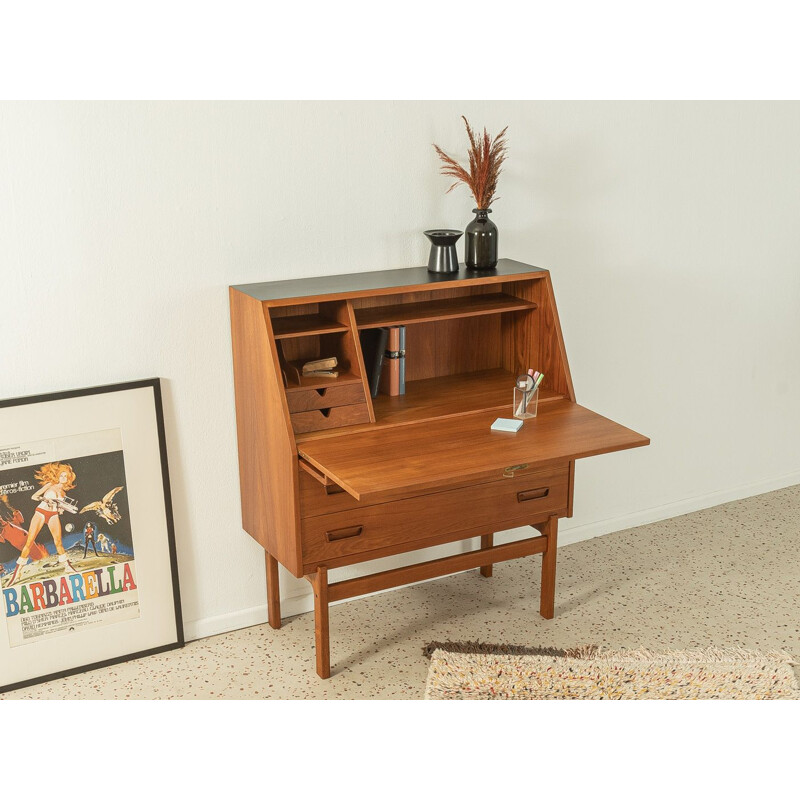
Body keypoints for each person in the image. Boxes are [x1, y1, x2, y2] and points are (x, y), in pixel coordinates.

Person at [5, 462, 78, 587]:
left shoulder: (63, 494)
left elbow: (59, 509)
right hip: (41, 512)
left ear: (69, 479)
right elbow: (34, 496)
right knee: (29, 541)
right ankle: (18, 572)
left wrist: (61, 509)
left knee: (58, 542)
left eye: (66, 476)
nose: (63, 478)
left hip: (53, 515)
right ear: (58, 475)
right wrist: (45, 499)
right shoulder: (51, 485)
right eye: (62, 475)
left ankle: (67, 566)